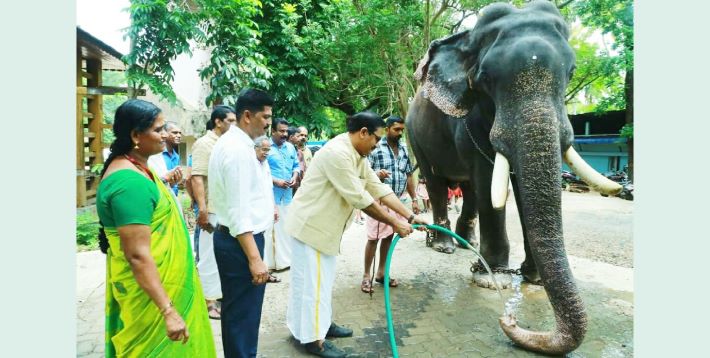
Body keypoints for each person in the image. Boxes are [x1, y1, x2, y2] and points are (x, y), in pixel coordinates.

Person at [285, 111, 430, 357]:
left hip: (322, 230)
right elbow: (361, 199)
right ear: (364, 132)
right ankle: (313, 340)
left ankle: (317, 326)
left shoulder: (356, 153)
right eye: (376, 139)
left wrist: (410, 216)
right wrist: (396, 223)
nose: (376, 146)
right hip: (311, 229)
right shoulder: (337, 154)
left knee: (318, 283)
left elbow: (377, 187)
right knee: (312, 286)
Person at [96, 99, 216, 357]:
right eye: (158, 130)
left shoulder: (141, 169)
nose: (165, 135)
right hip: (152, 299)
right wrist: (168, 311)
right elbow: (137, 256)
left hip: (164, 286)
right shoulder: (128, 182)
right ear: (136, 135)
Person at [208, 89, 274, 357]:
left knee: (241, 316)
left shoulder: (240, 145)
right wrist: (255, 258)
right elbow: (238, 211)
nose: (269, 123)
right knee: (242, 317)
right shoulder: (236, 150)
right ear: (247, 115)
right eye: (265, 117)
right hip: (239, 241)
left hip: (238, 239)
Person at [361, 116, 420, 294]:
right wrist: (377, 174)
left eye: (402, 130)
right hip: (378, 199)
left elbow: (408, 174)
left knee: (388, 236)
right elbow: (364, 172)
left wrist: (414, 199)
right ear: (387, 129)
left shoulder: (402, 148)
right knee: (373, 238)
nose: (400, 133)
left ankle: (381, 273)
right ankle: (366, 276)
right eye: (396, 129)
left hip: (397, 200)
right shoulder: (375, 146)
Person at [189, 105, 237, 320]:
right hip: (211, 208)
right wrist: (203, 209)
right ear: (218, 122)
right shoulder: (204, 143)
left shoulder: (228, 143)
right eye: (231, 121)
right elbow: (196, 177)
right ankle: (209, 301)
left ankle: (220, 295)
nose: (234, 125)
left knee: (224, 254)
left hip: (227, 208)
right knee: (208, 255)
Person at [264, 119, 300, 274]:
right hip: (270, 197)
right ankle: (270, 264)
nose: (285, 134)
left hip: (287, 196)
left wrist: (294, 176)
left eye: (286, 131)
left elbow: (296, 166)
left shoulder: (291, 148)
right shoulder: (265, 147)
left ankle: (285, 261)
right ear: (273, 132)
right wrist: (275, 181)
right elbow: (259, 171)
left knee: (286, 229)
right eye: (281, 131)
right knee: (270, 231)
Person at [148, 121, 183, 195]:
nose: (179, 135)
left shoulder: (176, 156)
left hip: (172, 196)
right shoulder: (155, 155)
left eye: (180, 133)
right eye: (175, 133)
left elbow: (172, 183)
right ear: (165, 133)